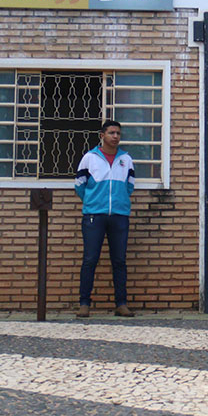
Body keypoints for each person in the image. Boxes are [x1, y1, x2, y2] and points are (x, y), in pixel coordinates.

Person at [74, 120, 136, 318]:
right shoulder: (89, 158)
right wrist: (93, 202)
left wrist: (118, 202)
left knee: (119, 260)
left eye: (118, 133)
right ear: (102, 135)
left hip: (119, 216)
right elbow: (79, 186)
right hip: (94, 215)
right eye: (111, 133)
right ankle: (84, 304)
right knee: (90, 259)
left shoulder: (126, 159)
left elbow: (130, 186)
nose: (115, 136)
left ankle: (121, 304)